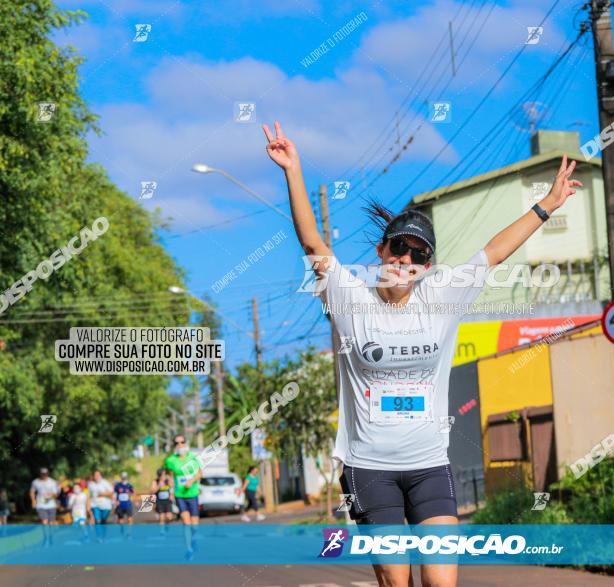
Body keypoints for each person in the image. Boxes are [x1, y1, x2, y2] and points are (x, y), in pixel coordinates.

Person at [262, 121, 580, 587]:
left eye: (417, 255)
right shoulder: (350, 300)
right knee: (396, 581)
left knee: (442, 582)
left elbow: (493, 252)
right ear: (381, 251)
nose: (405, 261)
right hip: (369, 470)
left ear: (426, 266)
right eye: (398, 249)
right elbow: (313, 243)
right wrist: (293, 169)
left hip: (429, 464)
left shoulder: (442, 298)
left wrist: (546, 206)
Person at [165, 434, 202, 558]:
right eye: (177, 443)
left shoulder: (193, 458)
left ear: (186, 443)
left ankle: (194, 539)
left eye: (182, 442)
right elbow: (169, 474)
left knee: (195, 526)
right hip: (179, 495)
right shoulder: (171, 460)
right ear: (174, 445)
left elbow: (200, 474)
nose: (180, 445)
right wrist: (169, 481)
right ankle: (189, 549)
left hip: (192, 494)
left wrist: (191, 481)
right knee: (186, 522)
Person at [88, 470, 114, 541]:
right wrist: (88, 505)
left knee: (103, 521)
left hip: (106, 506)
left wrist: (103, 494)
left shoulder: (105, 483)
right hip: (95, 505)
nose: (96, 477)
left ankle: (103, 535)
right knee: (97, 520)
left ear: (101, 475)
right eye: (95, 475)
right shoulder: (91, 484)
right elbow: (89, 495)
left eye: (98, 475)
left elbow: (111, 493)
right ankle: (98, 536)